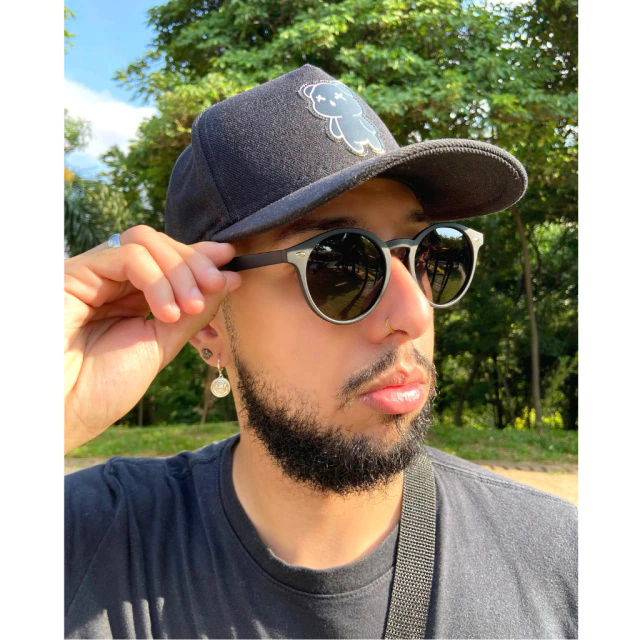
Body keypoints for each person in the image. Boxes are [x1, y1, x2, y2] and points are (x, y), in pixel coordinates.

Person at [64, 65, 578, 639]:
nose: (414, 313)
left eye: (429, 253)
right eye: (341, 264)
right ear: (206, 325)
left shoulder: (564, 567)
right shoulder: (84, 544)